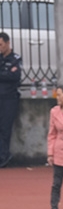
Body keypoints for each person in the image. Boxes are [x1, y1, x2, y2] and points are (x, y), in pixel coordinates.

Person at [0, 32, 22, 168]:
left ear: (8, 43)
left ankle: (4, 156)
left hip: (9, 98)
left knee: (5, 128)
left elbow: (14, 76)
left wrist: (4, 74)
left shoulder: (15, 58)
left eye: (1, 45)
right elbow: (6, 75)